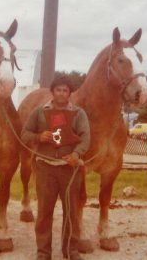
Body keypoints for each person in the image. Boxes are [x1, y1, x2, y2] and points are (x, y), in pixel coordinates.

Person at [21, 75, 90, 260]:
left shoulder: (78, 113)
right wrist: (39, 137)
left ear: (70, 93)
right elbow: (24, 134)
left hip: (69, 169)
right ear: (52, 91)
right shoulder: (39, 112)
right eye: (58, 90)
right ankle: (43, 252)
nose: (61, 93)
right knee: (44, 212)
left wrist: (76, 155)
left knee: (72, 213)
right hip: (45, 168)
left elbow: (85, 138)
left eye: (65, 90)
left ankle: (70, 250)